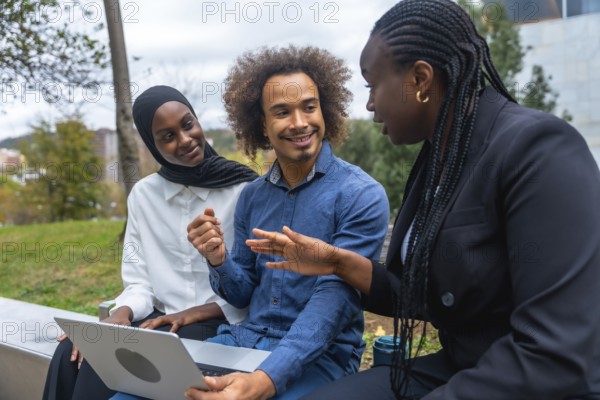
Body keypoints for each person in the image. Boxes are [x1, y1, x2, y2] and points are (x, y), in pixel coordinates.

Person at [247, 1, 600, 399]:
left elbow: (557, 356)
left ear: (420, 78)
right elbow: (427, 299)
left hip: (527, 378)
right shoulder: (440, 160)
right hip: (462, 364)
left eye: (372, 85)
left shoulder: (538, 150)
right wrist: (337, 263)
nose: (369, 104)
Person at [112, 45, 390, 400]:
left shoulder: (360, 194)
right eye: (282, 112)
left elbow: (331, 307)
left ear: (325, 109)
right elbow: (243, 292)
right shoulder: (253, 196)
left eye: (309, 106)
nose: (300, 123)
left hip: (319, 357)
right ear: (261, 123)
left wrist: (264, 379)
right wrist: (217, 258)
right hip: (241, 342)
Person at [43, 85, 257, 400]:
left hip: (219, 323)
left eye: (188, 125)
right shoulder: (144, 195)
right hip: (159, 322)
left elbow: (253, 285)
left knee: (98, 368)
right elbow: (139, 281)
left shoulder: (244, 189)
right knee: (70, 356)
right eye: (167, 136)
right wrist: (120, 315)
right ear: (152, 145)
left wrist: (192, 313)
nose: (185, 140)